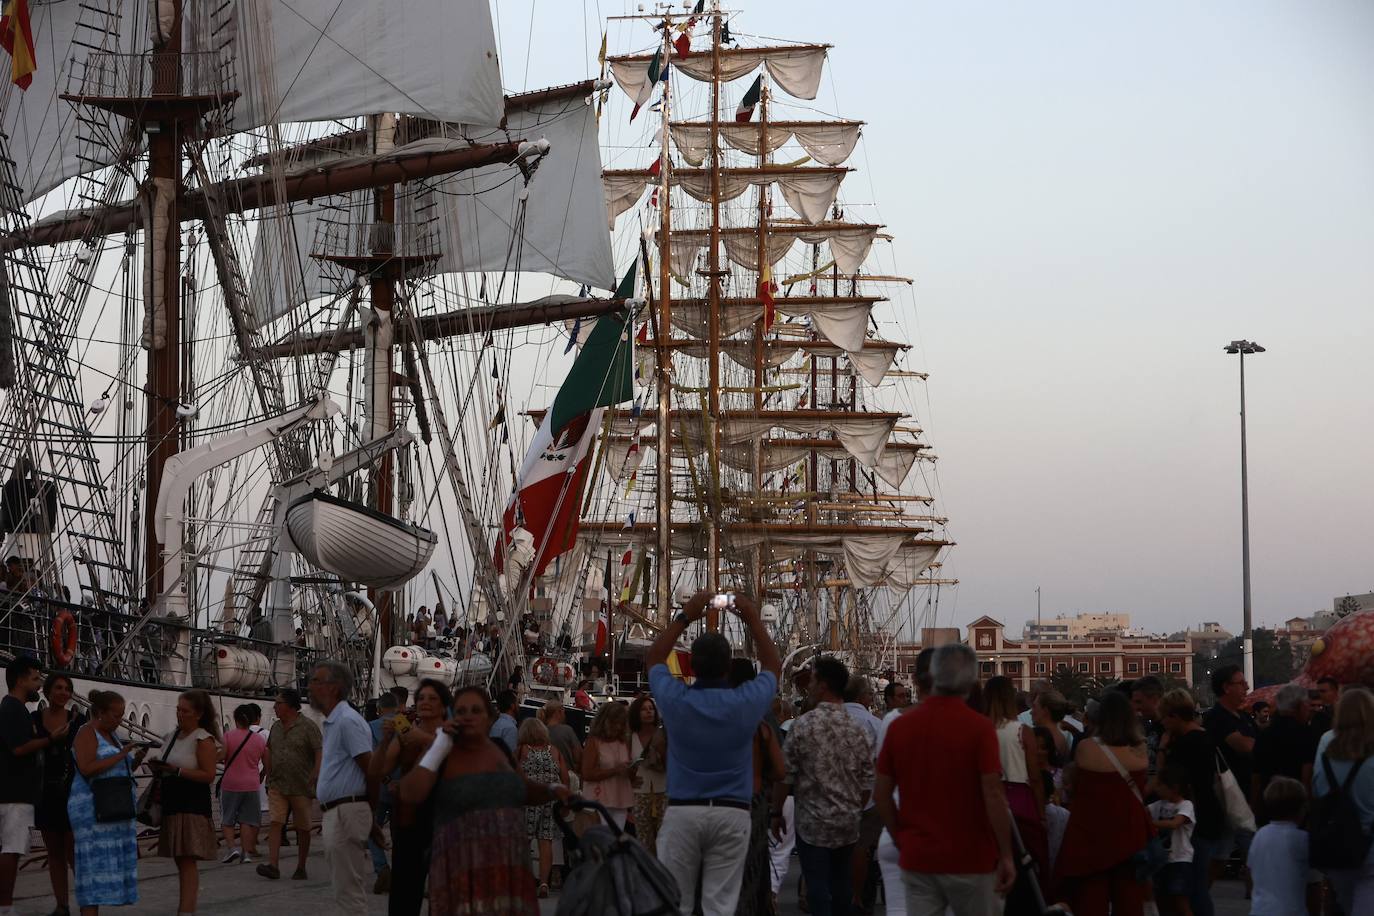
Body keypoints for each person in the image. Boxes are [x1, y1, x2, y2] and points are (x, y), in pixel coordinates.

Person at [647, 591, 779, 916]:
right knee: (720, 906)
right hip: (731, 811)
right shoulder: (744, 704)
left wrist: (684, 616)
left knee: (675, 903)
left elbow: (653, 660)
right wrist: (751, 618)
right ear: (728, 667)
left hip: (683, 811)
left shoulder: (677, 701)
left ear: (692, 664)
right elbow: (773, 666)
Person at [397, 685, 570, 916]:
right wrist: (439, 745)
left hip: (502, 860)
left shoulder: (500, 750)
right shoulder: (445, 750)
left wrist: (552, 789)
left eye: (476, 710)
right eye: (461, 711)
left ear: (489, 718)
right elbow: (410, 792)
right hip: (458, 860)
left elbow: (522, 789)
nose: (468, 716)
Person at [875, 643, 1015, 916]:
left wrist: (900, 837)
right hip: (971, 857)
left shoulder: (899, 727)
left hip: (919, 855)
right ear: (972, 681)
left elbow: (881, 794)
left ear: (933, 677)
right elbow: (993, 795)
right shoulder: (980, 728)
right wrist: (1006, 853)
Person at [773, 657, 872, 916]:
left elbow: (786, 775)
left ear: (824, 686)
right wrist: (854, 808)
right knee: (842, 887)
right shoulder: (857, 728)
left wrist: (776, 812)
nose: (811, 686)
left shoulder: (804, 725)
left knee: (817, 888)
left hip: (812, 823)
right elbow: (867, 781)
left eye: (814, 681)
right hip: (847, 823)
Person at [1054, 690, 1152, 916]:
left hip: (1091, 836)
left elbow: (1077, 788)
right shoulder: (1140, 750)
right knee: (1129, 903)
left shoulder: (1086, 748)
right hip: (1130, 834)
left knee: (1091, 903)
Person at [370, 678, 450, 916]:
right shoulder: (405, 730)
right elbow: (377, 770)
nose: (425, 702)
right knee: (404, 893)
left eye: (432, 698)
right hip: (409, 819)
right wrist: (385, 742)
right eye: (421, 697)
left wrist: (422, 739)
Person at [307, 661, 375, 916]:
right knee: (343, 889)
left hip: (347, 811)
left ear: (333, 688)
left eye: (316, 681)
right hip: (339, 812)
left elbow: (371, 769)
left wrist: (372, 817)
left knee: (349, 892)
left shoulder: (347, 721)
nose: (310, 686)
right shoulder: (334, 722)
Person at [68, 690, 145, 916]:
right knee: (91, 871)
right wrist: (122, 754)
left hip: (113, 810)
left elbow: (119, 769)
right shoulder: (86, 733)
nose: (119, 720)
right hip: (92, 810)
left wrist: (136, 759)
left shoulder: (112, 734)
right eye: (116, 715)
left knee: (101, 871)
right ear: (100, 713)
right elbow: (87, 768)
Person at [149, 689, 221, 916]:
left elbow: (209, 775)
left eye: (185, 710)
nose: (180, 714)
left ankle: (186, 910)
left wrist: (177, 770)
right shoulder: (171, 736)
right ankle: (185, 908)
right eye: (178, 709)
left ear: (198, 714)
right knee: (181, 859)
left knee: (188, 859)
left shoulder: (202, 739)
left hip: (192, 805)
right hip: (173, 802)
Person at [982, 675, 1047, 915]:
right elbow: (1036, 777)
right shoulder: (1023, 731)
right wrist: (1041, 814)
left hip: (988, 800)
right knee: (1029, 863)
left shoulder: (981, 730)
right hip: (1021, 799)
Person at [1157, 689, 1225, 916]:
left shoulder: (1183, 745)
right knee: (1199, 884)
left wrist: (1162, 747)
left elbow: (1165, 780)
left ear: (1174, 716)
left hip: (1193, 819)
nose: (1163, 723)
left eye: (1164, 717)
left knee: (1193, 888)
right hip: (1211, 815)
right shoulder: (1205, 737)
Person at [0, 657, 57, 915]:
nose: (38, 685)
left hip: (13, 791)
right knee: (11, 849)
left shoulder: (14, 708)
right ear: (21, 679)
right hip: (15, 793)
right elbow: (19, 747)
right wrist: (51, 739)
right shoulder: (13, 708)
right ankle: (6, 906)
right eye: (35, 679)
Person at [1311, 687, 1374, 914]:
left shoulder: (1326, 742)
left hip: (1335, 842)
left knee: (1345, 902)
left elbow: (1317, 787)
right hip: (1369, 844)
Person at [730, 660, 785, 916]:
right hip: (755, 796)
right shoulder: (762, 714)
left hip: (723, 797)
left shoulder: (719, 708)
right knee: (754, 862)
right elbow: (779, 767)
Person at [35, 673, 85, 916]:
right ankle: (62, 905)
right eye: (58, 688)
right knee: (53, 851)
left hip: (72, 790)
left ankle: (87, 903)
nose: (63, 692)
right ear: (47, 691)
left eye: (67, 688)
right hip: (46, 791)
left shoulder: (78, 721)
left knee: (73, 849)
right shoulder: (35, 719)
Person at [258, 689, 321, 881]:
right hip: (278, 783)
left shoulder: (308, 727)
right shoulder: (276, 727)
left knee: (303, 827)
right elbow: (269, 749)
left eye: (279, 703)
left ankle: (301, 866)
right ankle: (273, 865)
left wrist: (315, 773)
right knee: (276, 823)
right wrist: (267, 773)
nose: (275, 707)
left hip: (301, 785)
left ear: (291, 706)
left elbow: (319, 750)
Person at [1201, 665, 1256, 860]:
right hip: (1226, 797)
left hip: (1244, 795)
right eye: (1241, 683)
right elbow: (1244, 745)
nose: (1247, 687)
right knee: (1225, 856)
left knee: (1248, 858)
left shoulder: (1243, 717)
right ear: (1226, 687)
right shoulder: (1216, 718)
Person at [516, 716, 567, 898]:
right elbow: (565, 776)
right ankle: (544, 883)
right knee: (546, 841)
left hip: (530, 799)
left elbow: (515, 774)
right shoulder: (554, 751)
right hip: (550, 800)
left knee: (525, 841)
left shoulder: (522, 750)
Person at [1251, 683, 1317, 816]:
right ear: (1299, 706)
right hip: (1296, 808)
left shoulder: (1264, 735)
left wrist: (1255, 808)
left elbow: (1256, 777)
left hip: (1268, 805)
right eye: (1307, 705)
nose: (1310, 709)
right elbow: (1307, 775)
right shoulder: (1306, 734)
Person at [1246, 776, 1308, 916]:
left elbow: (1250, 869)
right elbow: (1313, 882)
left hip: (1260, 910)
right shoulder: (1302, 839)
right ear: (1301, 809)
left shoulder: (1259, 835)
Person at [219, 705, 268, 864]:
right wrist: (262, 774)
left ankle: (232, 849)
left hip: (231, 783)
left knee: (228, 819)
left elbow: (221, 756)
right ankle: (245, 853)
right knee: (247, 821)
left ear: (236, 719)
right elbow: (268, 762)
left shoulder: (228, 736)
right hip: (252, 784)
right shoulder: (259, 739)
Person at [1146, 767, 1195, 916]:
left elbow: (1175, 823)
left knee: (1179, 898)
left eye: (1160, 785)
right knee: (1162, 899)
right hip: (1161, 859)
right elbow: (1141, 813)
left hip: (1180, 859)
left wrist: (1150, 823)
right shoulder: (1159, 804)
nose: (1156, 788)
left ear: (1174, 788)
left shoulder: (1186, 805)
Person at [581, 701, 634, 830]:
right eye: (615, 723)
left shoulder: (624, 742)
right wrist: (614, 771)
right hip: (599, 801)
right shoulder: (594, 742)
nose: (618, 727)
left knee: (616, 841)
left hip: (620, 800)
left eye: (621, 723)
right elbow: (586, 773)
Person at [366, 692, 399, 894]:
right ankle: (400, 873)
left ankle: (381, 868)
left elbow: (370, 758)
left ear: (379, 709)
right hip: (401, 787)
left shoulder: (371, 727)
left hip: (379, 787)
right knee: (399, 834)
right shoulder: (405, 724)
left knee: (372, 829)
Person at [628, 695, 667, 856]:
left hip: (664, 791)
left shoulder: (663, 735)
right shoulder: (630, 737)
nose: (648, 712)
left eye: (651, 709)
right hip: (640, 793)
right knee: (644, 840)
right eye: (644, 709)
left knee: (665, 839)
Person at [1130, 675, 1165, 777]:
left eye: (1139, 702)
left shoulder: (1171, 730)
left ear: (1154, 699)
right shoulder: (1148, 727)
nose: (1136, 707)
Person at [540, 700, 583, 773]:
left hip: (545, 775)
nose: (565, 716)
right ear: (558, 712)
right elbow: (578, 756)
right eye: (563, 712)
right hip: (566, 774)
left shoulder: (539, 732)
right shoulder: (567, 730)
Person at [489, 690, 519, 755]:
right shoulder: (510, 728)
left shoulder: (496, 723)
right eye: (517, 702)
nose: (518, 705)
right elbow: (510, 755)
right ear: (512, 706)